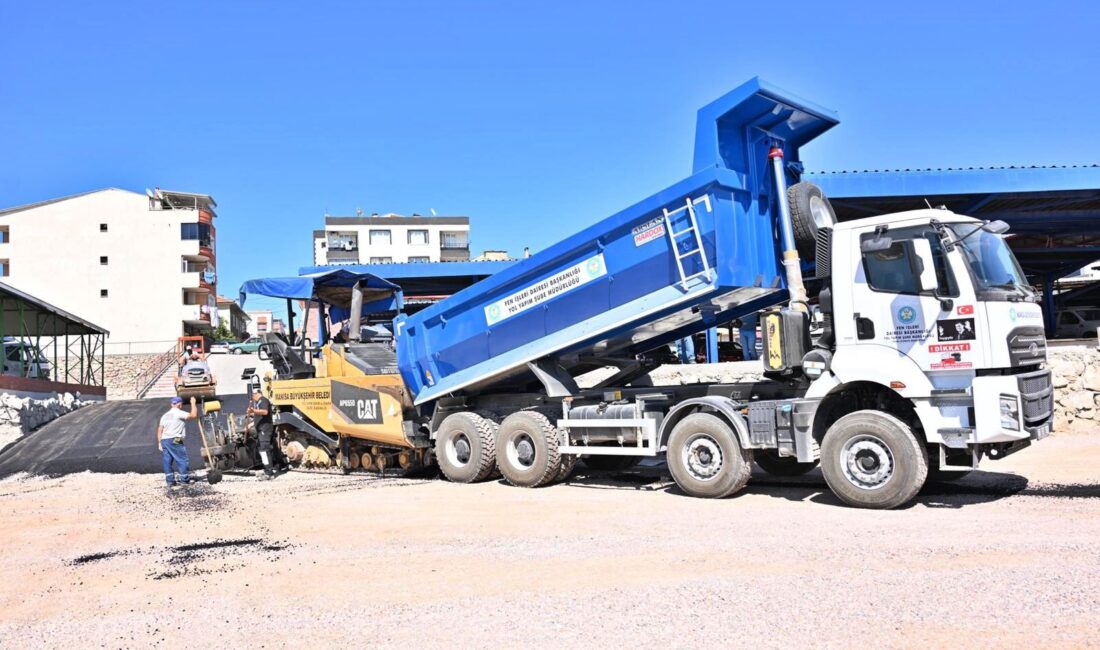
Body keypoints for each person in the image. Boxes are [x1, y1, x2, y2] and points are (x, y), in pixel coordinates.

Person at [158, 396, 198, 488]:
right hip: (175, 439)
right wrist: (193, 403)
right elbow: (193, 415)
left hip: (164, 440)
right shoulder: (179, 413)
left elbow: (160, 429)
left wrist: (159, 442)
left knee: (167, 461)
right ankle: (184, 480)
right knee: (182, 459)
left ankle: (170, 481)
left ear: (172, 404)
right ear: (180, 404)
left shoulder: (165, 415)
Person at [246, 387, 277, 480]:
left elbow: (265, 412)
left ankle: (269, 473)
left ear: (256, 394)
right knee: (263, 450)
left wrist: (253, 411)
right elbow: (259, 417)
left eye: (252, 396)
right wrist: (251, 423)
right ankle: (268, 469)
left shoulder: (263, 400)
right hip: (261, 429)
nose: (252, 398)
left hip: (265, 429)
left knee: (264, 450)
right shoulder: (258, 402)